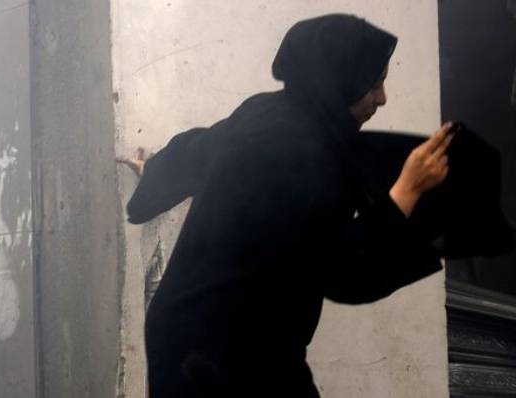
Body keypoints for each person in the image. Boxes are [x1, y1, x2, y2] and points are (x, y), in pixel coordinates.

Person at [125, 14, 454, 397]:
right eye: (375, 83)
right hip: (229, 355)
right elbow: (349, 274)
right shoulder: (310, 156)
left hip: (185, 331)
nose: (382, 98)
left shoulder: (268, 112)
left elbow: (196, 151)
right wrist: (408, 191)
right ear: (343, 80)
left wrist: (151, 174)